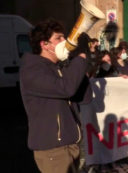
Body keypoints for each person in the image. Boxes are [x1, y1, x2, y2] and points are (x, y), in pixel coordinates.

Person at [20, 19, 88, 173]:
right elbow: (65, 89)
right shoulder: (32, 69)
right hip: (53, 148)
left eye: (64, 37)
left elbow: (85, 97)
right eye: (59, 38)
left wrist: (77, 62)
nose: (64, 41)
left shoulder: (57, 67)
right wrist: (81, 57)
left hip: (70, 144)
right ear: (45, 44)